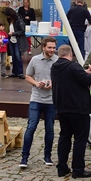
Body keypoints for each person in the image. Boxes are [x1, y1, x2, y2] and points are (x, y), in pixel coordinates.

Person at [50, 45, 91, 179]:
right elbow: (87, 80)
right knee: (80, 139)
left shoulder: (55, 67)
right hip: (78, 109)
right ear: (70, 55)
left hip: (62, 108)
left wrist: (84, 72)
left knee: (64, 137)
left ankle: (62, 167)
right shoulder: (73, 66)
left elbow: (74, 77)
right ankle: (78, 169)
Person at [20, 37, 58, 168]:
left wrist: (53, 84)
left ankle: (47, 156)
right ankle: (24, 158)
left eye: (53, 47)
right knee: (31, 127)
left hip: (51, 100)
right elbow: (28, 75)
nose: (52, 50)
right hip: (36, 98)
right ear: (43, 47)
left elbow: (62, 78)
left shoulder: (57, 61)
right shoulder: (35, 60)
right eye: (49, 47)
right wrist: (37, 83)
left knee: (50, 129)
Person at [5, 8, 28, 79]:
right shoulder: (9, 20)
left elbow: (22, 31)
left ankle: (20, 72)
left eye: (8, 15)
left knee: (18, 56)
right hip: (11, 40)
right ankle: (14, 72)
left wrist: (13, 33)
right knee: (13, 56)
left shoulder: (19, 20)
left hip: (18, 41)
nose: (7, 17)